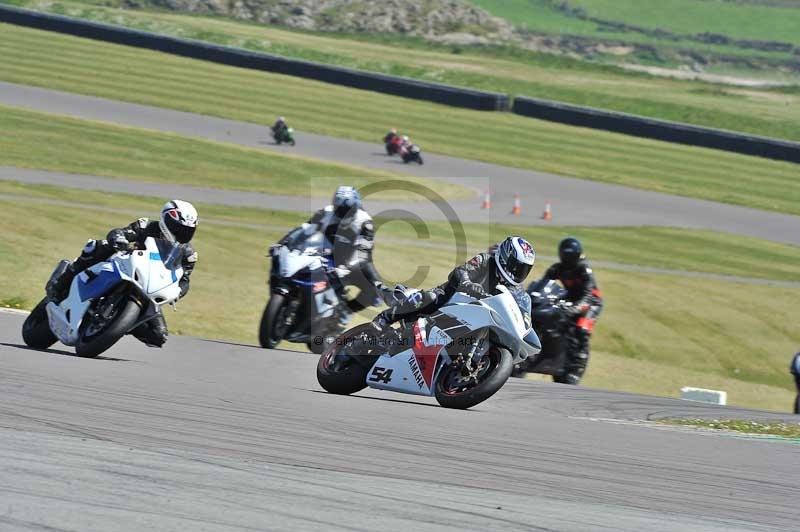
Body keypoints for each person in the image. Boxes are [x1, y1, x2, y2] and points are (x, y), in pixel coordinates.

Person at [46, 200, 199, 347]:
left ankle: (119, 323)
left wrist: (179, 291)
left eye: (187, 230)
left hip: (149, 286)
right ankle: (62, 281)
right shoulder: (147, 226)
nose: (182, 233)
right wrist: (120, 239)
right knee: (96, 247)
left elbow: (184, 279)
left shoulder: (188, 254)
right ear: (166, 219)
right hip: (126, 265)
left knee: (159, 335)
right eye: (178, 227)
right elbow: (120, 232)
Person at [372, 236, 535, 336]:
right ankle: (383, 319)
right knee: (430, 298)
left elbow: (518, 309)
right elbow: (459, 272)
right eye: (516, 266)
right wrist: (469, 284)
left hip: (477, 316)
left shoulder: (515, 289)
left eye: (523, 269)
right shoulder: (486, 260)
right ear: (505, 257)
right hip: (450, 298)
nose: (518, 272)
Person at [276, 186, 381, 326]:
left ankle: (347, 311)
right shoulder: (326, 212)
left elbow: (363, 252)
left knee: (376, 290)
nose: (342, 213)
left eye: (347, 210)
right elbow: (304, 229)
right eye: (339, 209)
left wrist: (347, 267)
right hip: (325, 253)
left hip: (352, 261)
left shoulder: (365, 223)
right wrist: (283, 243)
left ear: (356, 207)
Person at [537, 237, 602, 385]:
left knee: (581, 329)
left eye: (568, 255)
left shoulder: (583, 268)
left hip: (591, 302)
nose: (565, 258)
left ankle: (576, 369)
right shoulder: (558, 268)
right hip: (571, 298)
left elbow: (588, 293)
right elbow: (543, 284)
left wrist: (574, 308)